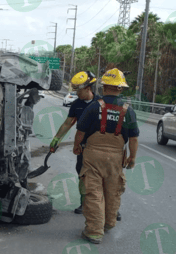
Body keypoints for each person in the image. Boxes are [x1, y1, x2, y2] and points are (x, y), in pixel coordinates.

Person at [73, 68, 139, 244]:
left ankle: (94, 232)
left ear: (104, 86)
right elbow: (133, 138)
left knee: (93, 192)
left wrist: (76, 146)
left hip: (93, 155)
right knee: (112, 190)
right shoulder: (128, 110)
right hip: (116, 157)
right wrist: (132, 158)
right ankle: (109, 223)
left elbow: (81, 130)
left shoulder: (94, 106)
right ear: (120, 88)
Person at [50, 71, 119, 217]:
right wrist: (56, 139)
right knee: (83, 175)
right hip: (83, 147)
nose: (77, 94)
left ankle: (111, 208)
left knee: (107, 177)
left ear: (88, 88)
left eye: (79, 91)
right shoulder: (76, 105)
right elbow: (68, 123)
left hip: (101, 147)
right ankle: (84, 203)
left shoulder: (102, 103)